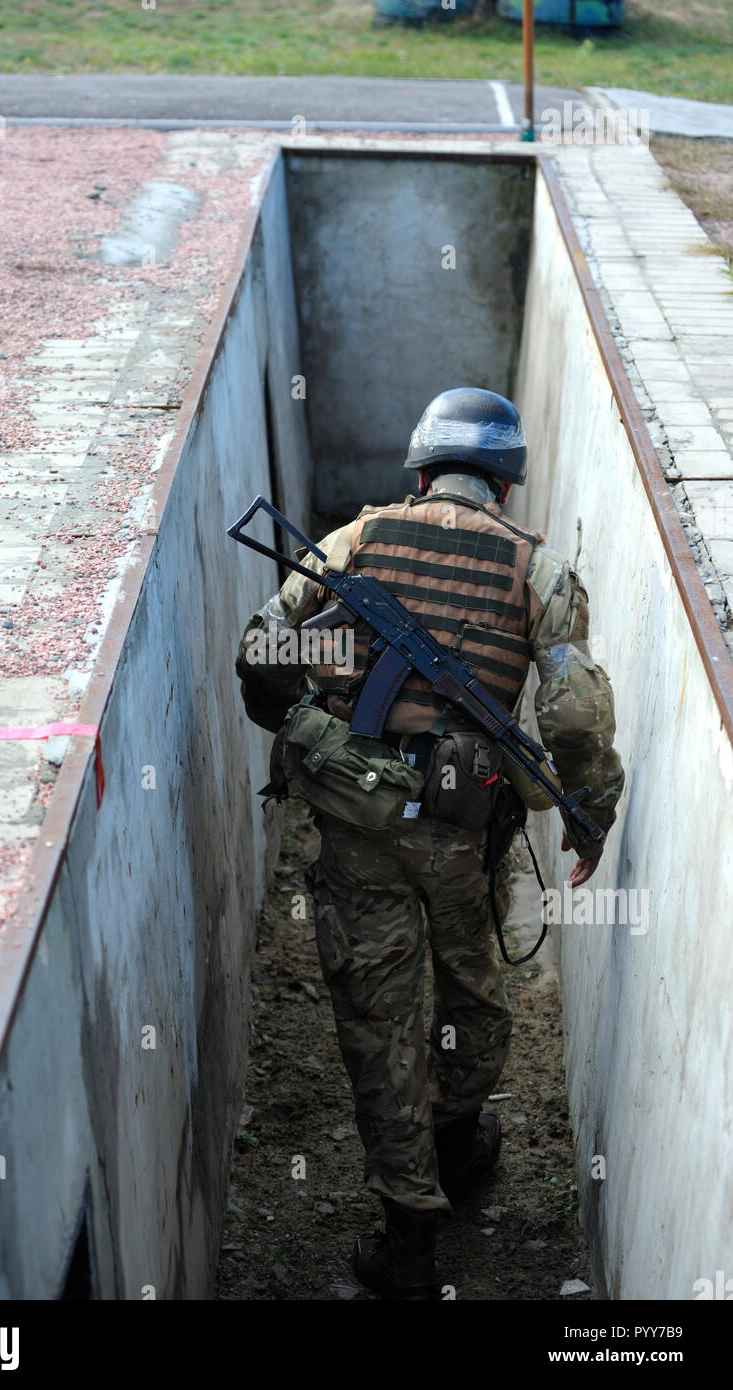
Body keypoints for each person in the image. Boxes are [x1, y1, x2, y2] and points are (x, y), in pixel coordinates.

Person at [235, 387, 625, 1300]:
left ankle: (409, 1231)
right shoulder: (540, 569)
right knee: (471, 990)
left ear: (418, 471)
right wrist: (586, 814)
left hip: (356, 820)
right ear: (506, 483)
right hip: (463, 822)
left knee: (378, 1018)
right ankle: (456, 1142)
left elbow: (262, 652)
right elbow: (571, 712)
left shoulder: (353, 542)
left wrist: (309, 710)